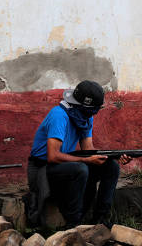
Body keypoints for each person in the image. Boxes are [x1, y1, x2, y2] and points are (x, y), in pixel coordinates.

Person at [28, 80, 131, 227]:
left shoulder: (85, 117)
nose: (92, 114)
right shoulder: (59, 115)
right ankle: (73, 224)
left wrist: (113, 156)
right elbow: (53, 156)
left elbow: (88, 149)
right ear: (81, 106)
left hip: (65, 165)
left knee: (111, 167)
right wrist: (88, 160)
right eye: (91, 111)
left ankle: (100, 220)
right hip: (43, 168)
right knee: (80, 169)